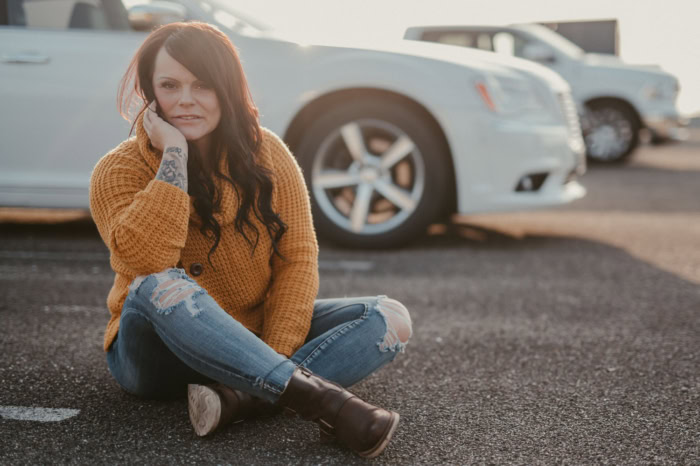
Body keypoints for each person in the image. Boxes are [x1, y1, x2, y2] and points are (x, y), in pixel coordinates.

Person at [89, 22, 412, 458]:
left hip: (252, 333)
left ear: (227, 88)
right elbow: (147, 257)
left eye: (202, 85)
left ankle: (240, 397)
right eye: (169, 85)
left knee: (389, 318)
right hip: (155, 353)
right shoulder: (117, 170)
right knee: (156, 283)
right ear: (151, 93)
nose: (185, 100)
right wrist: (175, 155)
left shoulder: (270, 155)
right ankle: (322, 400)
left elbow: (297, 259)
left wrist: (271, 356)